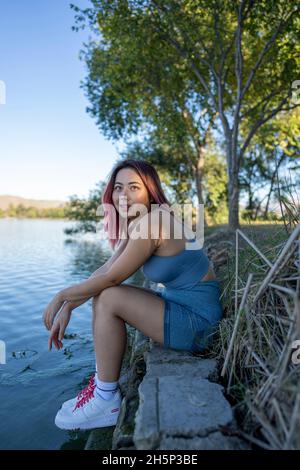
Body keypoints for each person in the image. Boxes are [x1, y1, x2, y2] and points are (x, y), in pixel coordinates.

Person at [42, 159, 223, 431]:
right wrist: (69, 304)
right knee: (105, 294)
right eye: (117, 187)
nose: (122, 195)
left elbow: (112, 279)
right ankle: (102, 389)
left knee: (110, 297)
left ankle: (106, 399)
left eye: (133, 187)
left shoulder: (155, 221)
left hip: (199, 323)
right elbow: (105, 269)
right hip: (181, 306)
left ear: (149, 191)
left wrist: (61, 296)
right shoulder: (138, 221)